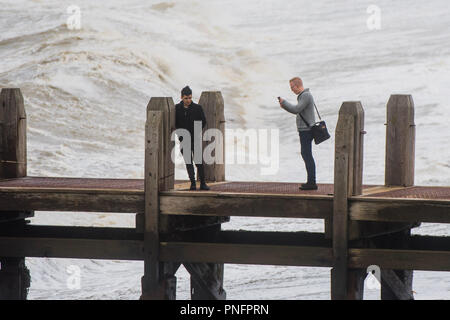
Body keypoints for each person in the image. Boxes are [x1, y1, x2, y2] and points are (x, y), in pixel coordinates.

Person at [278, 77, 318, 190]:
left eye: (292, 87)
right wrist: (284, 106)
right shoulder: (303, 95)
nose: (291, 90)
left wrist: (284, 103)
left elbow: (296, 109)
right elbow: (297, 110)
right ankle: (311, 181)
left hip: (307, 130)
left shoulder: (305, 95)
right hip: (304, 130)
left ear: (298, 85)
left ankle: (312, 183)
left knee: (307, 155)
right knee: (306, 154)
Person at [175, 86, 210, 191]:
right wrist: (180, 135)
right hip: (184, 139)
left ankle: (203, 183)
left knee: (198, 161)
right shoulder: (176, 108)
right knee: (188, 162)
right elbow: (174, 123)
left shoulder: (197, 108)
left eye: (190, 98)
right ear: (181, 97)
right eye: (186, 98)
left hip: (195, 138)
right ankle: (193, 183)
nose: (188, 100)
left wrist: (196, 132)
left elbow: (203, 121)